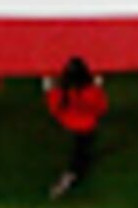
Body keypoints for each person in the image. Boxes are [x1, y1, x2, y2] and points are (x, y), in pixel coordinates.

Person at [45, 56, 108, 199]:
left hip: (67, 125)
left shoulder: (62, 92)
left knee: (79, 155)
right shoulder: (90, 92)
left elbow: (53, 108)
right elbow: (101, 108)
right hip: (86, 128)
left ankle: (69, 178)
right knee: (79, 158)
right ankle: (69, 179)